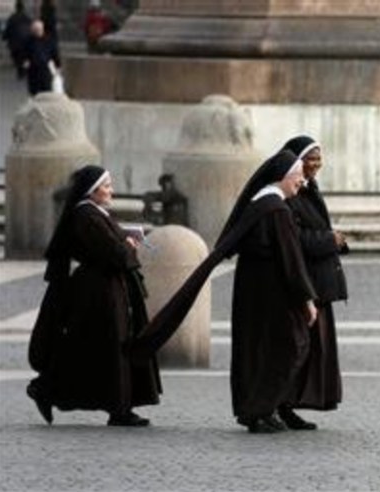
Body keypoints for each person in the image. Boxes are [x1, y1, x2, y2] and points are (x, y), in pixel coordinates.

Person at [130, 150, 319, 434]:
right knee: (290, 346)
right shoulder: (277, 209)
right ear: (283, 175)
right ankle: (260, 409)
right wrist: (307, 299)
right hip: (273, 294)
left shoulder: (261, 203)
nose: (302, 181)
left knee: (255, 351)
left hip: (252, 290)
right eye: (299, 176)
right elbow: (290, 259)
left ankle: (257, 411)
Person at [27, 165, 161, 427]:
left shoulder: (94, 214)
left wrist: (125, 238)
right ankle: (48, 389)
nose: (111, 190)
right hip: (98, 292)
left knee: (103, 348)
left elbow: (111, 245)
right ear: (92, 190)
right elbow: (115, 255)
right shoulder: (86, 216)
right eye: (107, 186)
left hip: (105, 288)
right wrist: (128, 244)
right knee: (102, 347)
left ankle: (118, 407)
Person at [280, 136, 348, 428]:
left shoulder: (308, 188)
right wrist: (329, 240)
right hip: (305, 284)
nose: (316, 164)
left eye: (319, 158)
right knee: (299, 349)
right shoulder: (290, 193)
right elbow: (293, 238)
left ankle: (289, 405)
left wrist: (333, 240)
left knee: (313, 351)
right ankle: (281, 405)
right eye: (311, 158)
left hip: (318, 283)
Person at [21, 19, 60, 96]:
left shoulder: (49, 40)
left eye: (39, 30)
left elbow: (54, 54)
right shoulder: (28, 41)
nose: (37, 32)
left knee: (46, 89)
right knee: (34, 91)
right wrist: (24, 62)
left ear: (42, 29)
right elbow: (23, 54)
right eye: (35, 30)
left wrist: (58, 66)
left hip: (45, 69)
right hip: (33, 70)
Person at [2, 1, 31, 80]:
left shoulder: (12, 18)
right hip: (25, 43)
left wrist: (4, 37)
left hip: (14, 44)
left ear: (16, 8)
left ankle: (21, 71)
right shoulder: (27, 18)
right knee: (23, 57)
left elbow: (7, 30)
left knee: (17, 58)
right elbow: (31, 29)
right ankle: (23, 70)